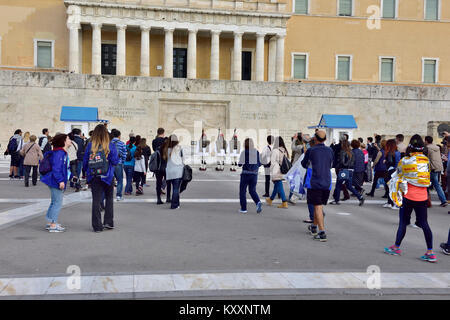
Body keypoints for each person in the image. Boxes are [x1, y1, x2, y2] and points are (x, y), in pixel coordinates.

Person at [384, 135, 436, 263]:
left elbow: (398, 175)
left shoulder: (405, 160)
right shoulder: (426, 160)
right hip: (423, 196)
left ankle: (396, 247)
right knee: (424, 223)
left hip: (408, 196)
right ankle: (430, 252)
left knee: (403, 222)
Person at [83, 124, 119, 233]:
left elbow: (85, 163)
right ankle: (108, 222)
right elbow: (115, 161)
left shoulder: (90, 146)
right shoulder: (111, 146)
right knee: (109, 199)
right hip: (108, 176)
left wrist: (87, 174)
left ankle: (97, 226)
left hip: (95, 176)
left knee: (96, 200)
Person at [301, 130, 334, 242]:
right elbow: (331, 163)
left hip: (315, 181)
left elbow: (304, 164)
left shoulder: (311, 150)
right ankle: (314, 227)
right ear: (325, 139)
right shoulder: (330, 150)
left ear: (315, 138)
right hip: (327, 181)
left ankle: (322, 232)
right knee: (318, 205)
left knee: (317, 206)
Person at [40, 133, 71, 233]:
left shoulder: (58, 152)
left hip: (52, 179)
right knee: (57, 202)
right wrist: (60, 181)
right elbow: (57, 168)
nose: (70, 140)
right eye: (68, 138)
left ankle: (50, 222)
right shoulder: (60, 153)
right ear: (64, 141)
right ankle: (53, 224)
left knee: (54, 202)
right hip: (55, 180)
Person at [330, 140, 364, 206]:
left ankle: (336, 200)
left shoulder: (343, 152)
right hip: (351, 170)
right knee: (349, 186)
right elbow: (353, 162)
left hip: (343, 170)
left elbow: (342, 162)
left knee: (338, 185)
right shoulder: (352, 152)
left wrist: (338, 166)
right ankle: (360, 197)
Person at [238, 138, 262, 214]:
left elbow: (240, 164)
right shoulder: (257, 152)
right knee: (252, 190)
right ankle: (258, 202)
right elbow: (260, 163)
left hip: (245, 174)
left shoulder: (244, 152)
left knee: (242, 191)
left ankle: (244, 208)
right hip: (254, 174)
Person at [266, 136, 289, 209]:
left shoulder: (275, 150)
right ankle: (270, 199)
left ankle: (284, 202)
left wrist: (270, 171)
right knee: (277, 185)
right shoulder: (285, 150)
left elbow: (272, 163)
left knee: (279, 185)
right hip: (282, 170)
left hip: (276, 170)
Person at [424, 136, 447, 207]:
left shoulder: (427, 148)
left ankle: (427, 201)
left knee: (427, 184)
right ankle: (443, 200)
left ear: (426, 141)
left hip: (432, 168)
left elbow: (425, 158)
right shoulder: (437, 148)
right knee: (437, 185)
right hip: (438, 167)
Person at [163, 135, 184, 209]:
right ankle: (174, 205)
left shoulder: (166, 149)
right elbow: (182, 159)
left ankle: (177, 203)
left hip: (169, 171)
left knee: (174, 188)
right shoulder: (179, 148)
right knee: (176, 189)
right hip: (178, 171)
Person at [382, 139, 401, 209]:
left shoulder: (390, 153)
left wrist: (385, 161)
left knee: (390, 187)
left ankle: (392, 203)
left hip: (391, 170)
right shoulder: (397, 152)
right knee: (394, 187)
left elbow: (389, 162)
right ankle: (391, 202)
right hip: (396, 170)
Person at [111, 129, 127, 201]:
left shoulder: (109, 143)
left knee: (109, 180)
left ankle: (108, 195)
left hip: (110, 164)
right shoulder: (122, 143)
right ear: (119, 135)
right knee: (119, 180)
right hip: (118, 163)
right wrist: (122, 162)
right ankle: (118, 196)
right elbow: (124, 154)